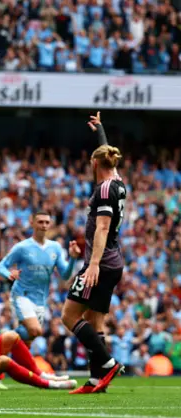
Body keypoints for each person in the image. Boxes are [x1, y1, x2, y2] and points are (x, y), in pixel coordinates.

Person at [61, 112, 127, 394]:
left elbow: (102, 228)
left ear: (94, 163)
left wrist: (93, 265)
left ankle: (108, 362)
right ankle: (94, 379)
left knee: (68, 315)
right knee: (94, 321)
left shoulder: (103, 190)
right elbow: (107, 154)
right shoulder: (119, 182)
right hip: (114, 262)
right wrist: (100, 131)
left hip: (101, 263)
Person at [0, 211, 81, 346]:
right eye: (40, 222)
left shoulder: (55, 248)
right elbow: (0, 267)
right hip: (22, 295)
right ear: (32, 223)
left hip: (41, 300)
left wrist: (73, 259)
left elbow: (65, 275)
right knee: (35, 330)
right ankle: (1, 339)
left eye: (47, 222)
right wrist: (9, 274)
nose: (44, 225)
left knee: (27, 341)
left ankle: (10, 351)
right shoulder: (22, 247)